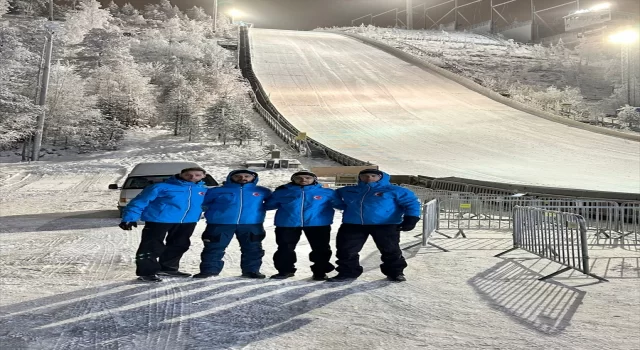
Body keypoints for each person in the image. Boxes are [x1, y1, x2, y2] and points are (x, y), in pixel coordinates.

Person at [329, 169, 421, 283]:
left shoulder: (395, 190)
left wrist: (411, 218)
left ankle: (395, 272)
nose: (369, 178)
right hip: (353, 224)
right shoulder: (349, 190)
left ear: (381, 177)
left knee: (390, 250)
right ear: (359, 177)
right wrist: (341, 205)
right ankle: (348, 272)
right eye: (365, 176)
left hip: (385, 224)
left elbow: (412, 203)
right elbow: (331, 195)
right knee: (346, 250)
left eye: (373, 176)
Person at [119, 167, 208, 282]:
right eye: (188, 175)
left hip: (187, 221)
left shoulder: (203, 190)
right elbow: (140, 201)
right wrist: (129, 217)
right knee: (151, 246)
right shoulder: (160, 187)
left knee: (180, 244)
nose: (192, 177)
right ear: (181, 174)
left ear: (203, 176)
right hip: (159, 220)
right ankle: (147, 272)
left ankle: (168, 268)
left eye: (197, 175)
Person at [265, 171, 345, 281]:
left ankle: (320, 272)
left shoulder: (326, 192)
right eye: (299, 178)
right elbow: (269, 205)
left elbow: (340, 205)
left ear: (314, 179)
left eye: (307, 178)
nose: (303, 180)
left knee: (321, 248)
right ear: (293, 179)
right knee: (285, 248)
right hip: (288, 223)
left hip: (318, 224)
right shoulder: (282, 192)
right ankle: (285, 270)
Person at [193, 170, 272, 279]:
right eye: (238, 176)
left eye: (246, 176)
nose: (242, 178)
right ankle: (209, 271)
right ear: (231, 177)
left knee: (253, 248)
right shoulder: (216, 191)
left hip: (251, 224)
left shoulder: (263, 191)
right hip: (220, 224)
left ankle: (251, 271)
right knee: (214, 248)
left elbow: (273, 203)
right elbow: (201, 203)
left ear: (253, 178)